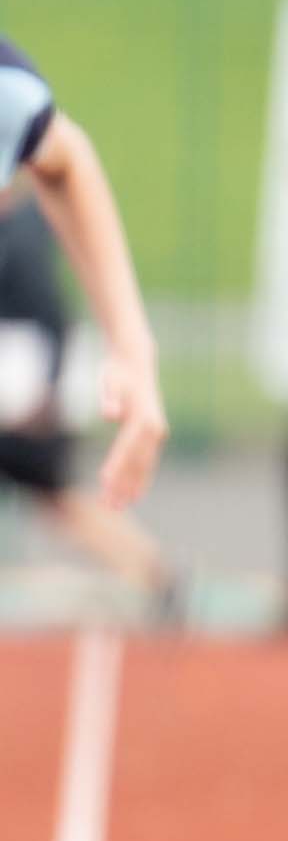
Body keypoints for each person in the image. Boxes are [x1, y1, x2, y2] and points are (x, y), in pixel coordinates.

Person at [0, 37, 174, 604]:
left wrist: (132, 350)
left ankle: (154, 571)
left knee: (57, 499)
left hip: (23, 395)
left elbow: (65, 158)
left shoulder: (10, 98)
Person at [0, 196, 182, 620]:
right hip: (25, 396)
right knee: (61, 502)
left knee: (61, 498)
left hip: (27, 405)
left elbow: (53, 317)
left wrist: (47, 390)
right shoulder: (21, 228)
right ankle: (156, 572)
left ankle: (156, 572)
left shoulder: (22, 238)